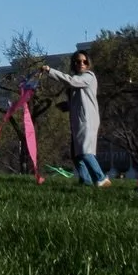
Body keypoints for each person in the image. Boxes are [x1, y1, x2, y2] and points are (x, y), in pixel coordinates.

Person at [41, 51, 109, 188]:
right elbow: (81, 99)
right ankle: (86, 180)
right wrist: (67, 106)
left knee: (84, 151)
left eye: (84, 61)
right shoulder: (78, 79)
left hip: (88, 120)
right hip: (78, 120)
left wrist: (50, 71)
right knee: (76, 154)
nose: (81, 64)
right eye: (78, 61)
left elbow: (71, 81)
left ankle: (101, 178)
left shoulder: (88, 77)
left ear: (88, 63)